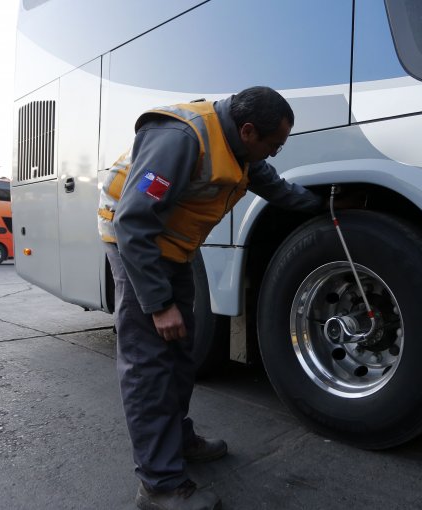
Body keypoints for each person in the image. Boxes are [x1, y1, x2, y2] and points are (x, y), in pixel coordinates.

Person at [98, 86, 325, 510]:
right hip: (134, 245)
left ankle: (176, 439)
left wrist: (324, 205)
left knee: (182, 351)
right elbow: (132, 220)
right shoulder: (180, 140)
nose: (274, 154)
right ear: (249, 130)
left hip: (173, 246)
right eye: (273, 145)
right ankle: (159, 485)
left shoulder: (239, 148)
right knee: (150, 364)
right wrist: (158, 304)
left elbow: (277, 189)